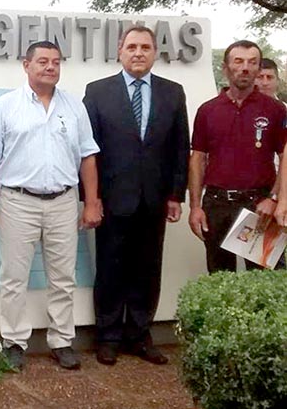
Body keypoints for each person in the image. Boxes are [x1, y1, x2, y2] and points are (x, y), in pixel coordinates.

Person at [0, 40, 102, 371]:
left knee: (63, 277)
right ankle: (14, 343)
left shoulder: (75, 107)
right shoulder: (5, 106)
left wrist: (91, 202)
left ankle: (62, 341)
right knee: (13, 277)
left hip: (63, 202)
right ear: (26, 65)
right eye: (43, 61)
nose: (51, 67)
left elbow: (88, 157)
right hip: (18, 201)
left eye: (56, 62)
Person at [83, 26, 190, 367]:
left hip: (154, 199)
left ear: (155, 52)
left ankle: (140, 335)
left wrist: (176, 195)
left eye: (145, 47)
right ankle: (108, 337)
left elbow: (179, 147)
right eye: (132, 47)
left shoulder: (173, 93)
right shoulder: (98, 93)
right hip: (113, 199)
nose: (139, 52)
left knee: (147, 269)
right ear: (120, 51)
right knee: (111, 268)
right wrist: (92, 198)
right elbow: (89, 151)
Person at [189, 40, 286, 273]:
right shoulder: (208, 110)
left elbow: (284, 156)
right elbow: (197, 159)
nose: (245, 68)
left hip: (260, 205)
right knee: (219, 277)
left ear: (258, 68)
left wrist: (275, 199)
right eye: (238, 61)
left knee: (263, 281)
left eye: (252, 62)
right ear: (226, 68)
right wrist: (195, 206)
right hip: (217, 204)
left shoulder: (275, 110)